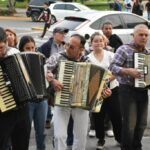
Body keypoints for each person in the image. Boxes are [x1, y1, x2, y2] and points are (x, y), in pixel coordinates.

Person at [109, 24, 149, 150]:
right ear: (134, 35)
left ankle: (137, 147)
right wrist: (128, 71)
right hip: (127, 90)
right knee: (130, 125)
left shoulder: (147, 53)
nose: (143, 37)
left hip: (143, 91)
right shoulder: (124, 49)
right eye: (140, 34)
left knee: (141, 124)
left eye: (146, 35)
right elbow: (112, 67)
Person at [87, 32, 122, 150]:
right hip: (96, 91)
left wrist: (105, 82)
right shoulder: (88, 58)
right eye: (95, 41)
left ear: (104, 42)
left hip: (112, 89)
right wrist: (100, 86)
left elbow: (116, 71)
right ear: (91, 43)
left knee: (116, 115)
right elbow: (88, 76)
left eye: (100, 41)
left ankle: (119, 138)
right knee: (98, 116)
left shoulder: (111, 55)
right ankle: (100, 139)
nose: (98, 43)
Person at [0, 27, 31, 150]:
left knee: (22, 144)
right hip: (3, 113)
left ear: (7, 42)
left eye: (1, 48)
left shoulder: (16, 54)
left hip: (22, 109)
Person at [18, 35, 48, 150]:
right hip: (27, 101)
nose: (31, 50)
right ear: (22, 49)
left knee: (41, 132)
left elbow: (46, 80)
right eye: (27, 48)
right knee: (25, 131)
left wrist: (48, 77)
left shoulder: (41, 59)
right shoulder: (17, 61)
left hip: (41, 100)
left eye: (33, 48)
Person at [38, 27, 68, 128]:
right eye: (61, 33)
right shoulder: (46, 46)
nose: (63, 35)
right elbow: (41, 61)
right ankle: (47, 118)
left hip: (62, 75)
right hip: (49, 75)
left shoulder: (65, 46)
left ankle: (60, 119)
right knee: (47, 96)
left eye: (64, 34)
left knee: (58, 97)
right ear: (54, 34)